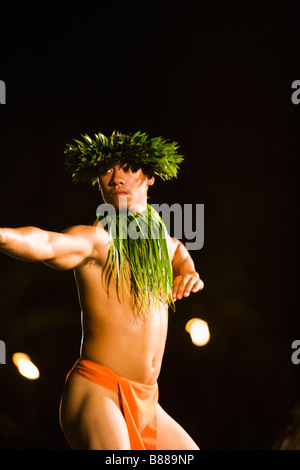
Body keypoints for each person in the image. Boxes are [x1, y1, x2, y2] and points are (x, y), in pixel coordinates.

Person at [0, 131, 204, 450]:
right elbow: (46, 242)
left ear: (149, 176)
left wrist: (188, 272)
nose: (117, 177)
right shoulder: (98, 243)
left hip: (148, 401)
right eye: (107, 170)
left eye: (128, 168)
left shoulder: (164, 245)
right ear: (98, 183)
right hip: (99, 389)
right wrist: (3, 236)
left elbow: (178, 251)